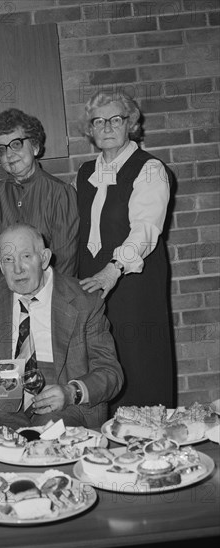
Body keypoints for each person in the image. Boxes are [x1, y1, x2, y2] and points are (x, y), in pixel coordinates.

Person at [0, 223, 123, 440]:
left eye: (26, 256)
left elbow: (110, 372)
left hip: (61, 402)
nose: (18, 269)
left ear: (44, 258)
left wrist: (72, 392)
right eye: (8, 260)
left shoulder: (85, 301)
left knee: (48, 445)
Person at [77, 91, 175, 411]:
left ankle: (151, 448)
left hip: (133, 285)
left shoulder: (150, 169)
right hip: (95, 288)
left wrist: (112, 270)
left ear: (130, 123)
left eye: (115, 119)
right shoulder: (85, 174)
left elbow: (145, 229)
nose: (107, 127)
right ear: (90, 130)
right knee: (104, 365)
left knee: (139, 364)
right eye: (99, 121)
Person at [0, 108, 79, 277]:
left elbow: (65, 262)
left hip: (46, 294)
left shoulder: (61, 193)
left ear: (35, 147)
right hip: (5, 291)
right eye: (1, 149)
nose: (9, 154)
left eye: (16, 144)